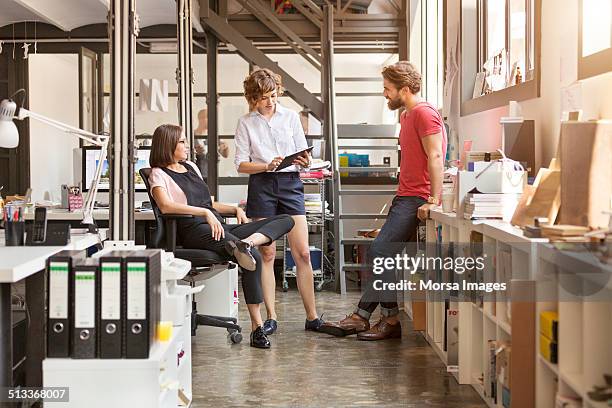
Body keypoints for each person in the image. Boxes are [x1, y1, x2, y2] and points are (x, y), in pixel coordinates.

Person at [319, 61, 446, 340]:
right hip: (405, 196)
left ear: (405, 88)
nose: (384, 94)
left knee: (379, 252)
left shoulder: (425, 114)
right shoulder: (406, 116)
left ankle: (382, 319)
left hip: (416, 198)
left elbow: (436, 156)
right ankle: (368, 317)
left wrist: (433, 199)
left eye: (388, 89)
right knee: (382, 253)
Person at [148, 124, 295, 349]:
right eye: (182, 142)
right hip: (193, 230)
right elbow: (166, 206)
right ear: (168, 145)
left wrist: (235, 209)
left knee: (286, 220)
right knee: (252, 257)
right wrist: (206, 213)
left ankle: (245, 243)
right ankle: (257, 328)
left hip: (218, 227)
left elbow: (209, 203)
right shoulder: (158, 174)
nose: (187, 146)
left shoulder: (191, 167)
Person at [234, 68, 324, 335]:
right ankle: (271, 317)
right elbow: (240, 164)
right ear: (253, 98)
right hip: (262, 186)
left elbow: (302, 153)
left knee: (303, 253)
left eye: (272, 95)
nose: (270, 101)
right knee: (268, 253)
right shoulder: (245, 122)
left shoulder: (291, 117)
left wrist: (305, 160)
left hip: (290, 184)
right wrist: (264, 166)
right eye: (263, 97)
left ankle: (312, 316)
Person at [194, 107, 229, 182]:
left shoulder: (214, 135)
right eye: (208, 118)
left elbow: (225, 155)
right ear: (201, 119)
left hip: (212, 176)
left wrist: (225, 148)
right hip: (197, 176)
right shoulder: (192, 136)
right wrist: (195, 152)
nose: (211, 120)